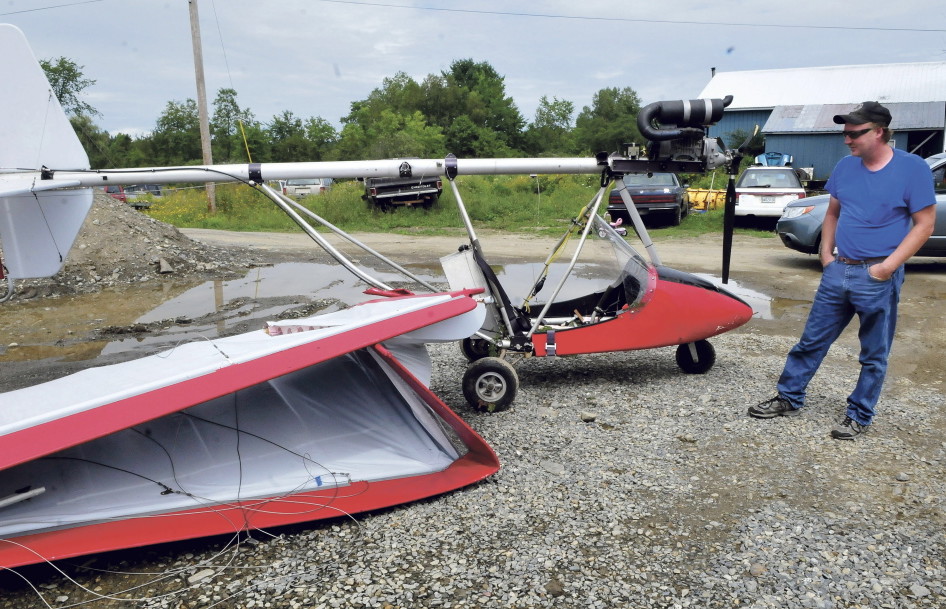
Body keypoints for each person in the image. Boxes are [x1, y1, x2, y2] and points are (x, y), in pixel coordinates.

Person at [748, 101, 936, 440]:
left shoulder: (913, 168)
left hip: (877, 276)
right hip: (839, 271)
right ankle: (789, 398)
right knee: (810, 342)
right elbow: (832, 212)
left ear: (879, 131)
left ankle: (859, 415)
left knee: (873, 354)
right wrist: (825, 254)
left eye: (854, 134)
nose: (847, 140)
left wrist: (887, 267)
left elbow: (924, 224)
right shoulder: (847, 167)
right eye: (845, 134)